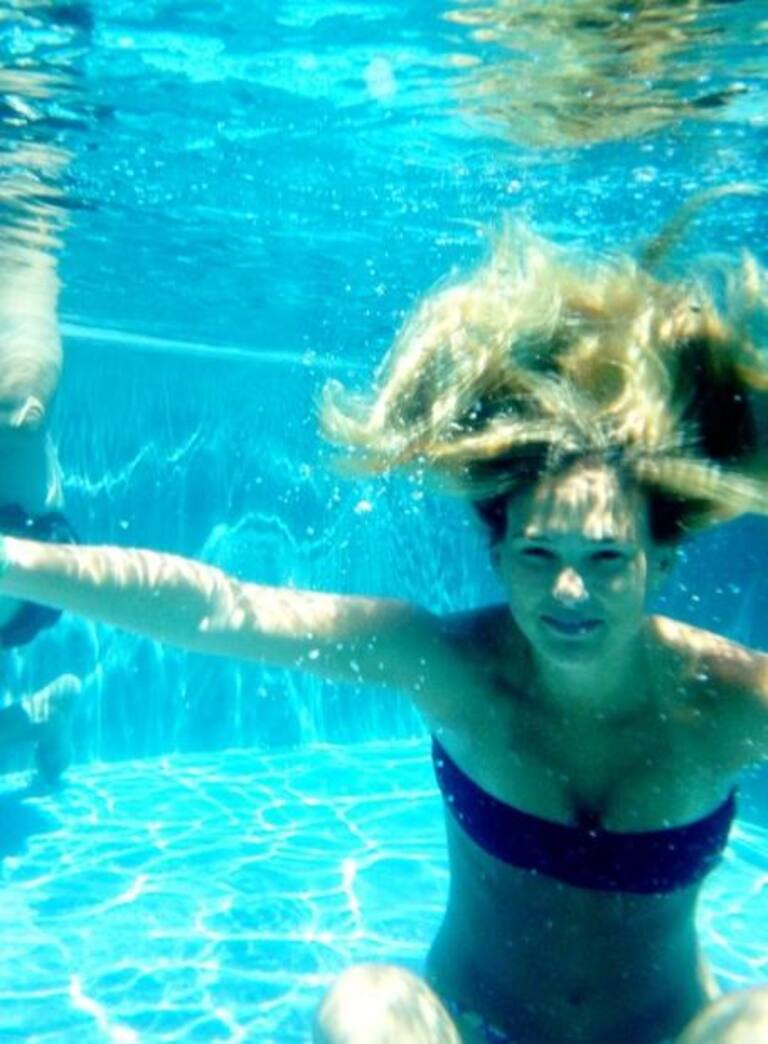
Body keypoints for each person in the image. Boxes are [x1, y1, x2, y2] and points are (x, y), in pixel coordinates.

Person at [0, 192, 767, 1043]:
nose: (569, 593)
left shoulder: (734, 698)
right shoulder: (452, 666)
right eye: (539, 555)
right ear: (497, 555)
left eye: (606, 559)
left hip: (673, 1034)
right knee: (364, 1001)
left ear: (661, 561)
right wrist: (14, 561)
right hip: (467, 1027)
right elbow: (224, 607)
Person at [0, 2, 90, 783]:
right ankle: (39, 726)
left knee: (17, 411)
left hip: (22, 542)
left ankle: (39, 726)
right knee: (17, 412)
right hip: (23, 547)